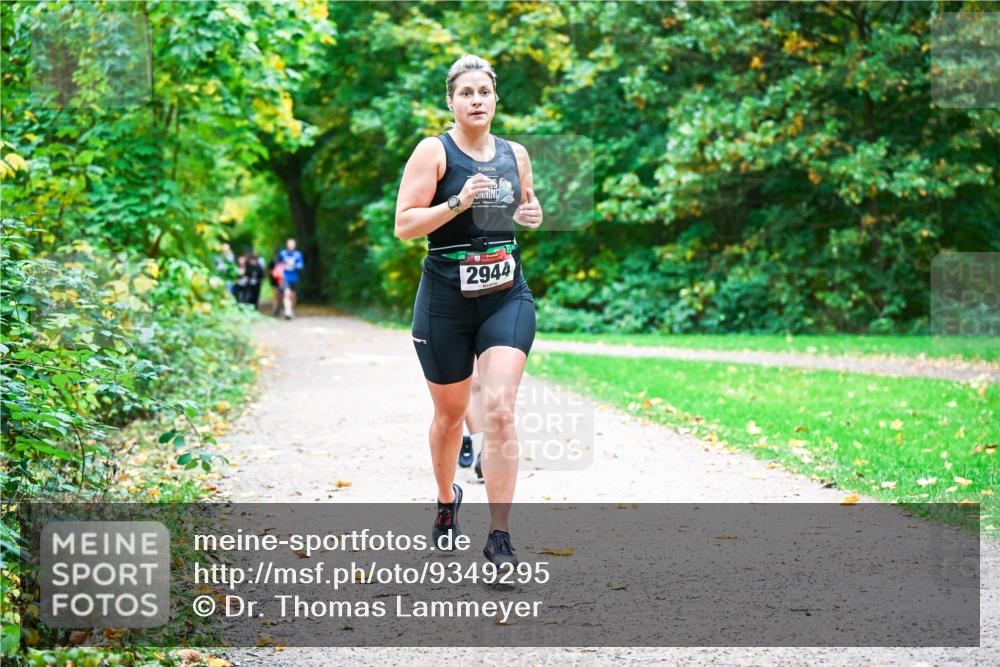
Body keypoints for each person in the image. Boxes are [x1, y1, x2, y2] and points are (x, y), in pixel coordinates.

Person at [394, 54, 543, 567]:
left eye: (484, 92)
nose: (476, 100)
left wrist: (533, 214)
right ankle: (445, 501)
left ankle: (499, 536)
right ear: (452, 102)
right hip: (445, 301)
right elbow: (405, 226)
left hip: (506, 293)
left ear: (495, 98)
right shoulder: (432, 153)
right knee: (450, 415)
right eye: (466, 93)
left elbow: (525, 209)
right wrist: (456, 202)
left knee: (499, 410)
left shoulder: (515, 154)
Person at [278, 238, 304, 320]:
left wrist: (294, 265)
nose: (291, 246)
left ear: (295, 245)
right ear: (287, 245)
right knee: (286, 293)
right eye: (289, 244)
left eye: (292, 244)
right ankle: (287, 311)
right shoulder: (282, 254)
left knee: (293, 295)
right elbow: (278, 264)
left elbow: (301, 265)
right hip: (285, 277)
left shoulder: (298, 254)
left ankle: (292, 309)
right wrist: (284, 266)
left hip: (294, 278)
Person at [267, 250, 284, 316]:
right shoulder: (272, 263)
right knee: (276, 296)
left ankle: (277, 310)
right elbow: (269, 272)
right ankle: (275, 310)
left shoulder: (281, 262)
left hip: (280, 281)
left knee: (279, 296)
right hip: (275, 281)